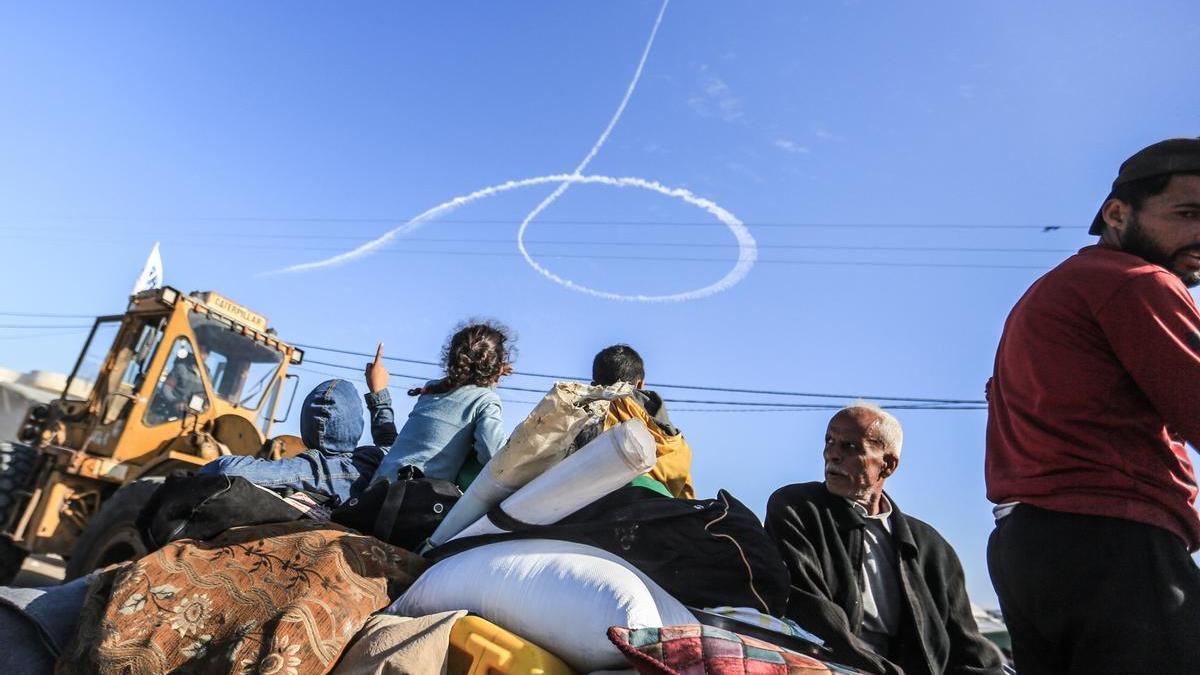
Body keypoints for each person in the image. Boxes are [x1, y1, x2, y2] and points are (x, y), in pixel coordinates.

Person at [985, 138, 1200, 673]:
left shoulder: (1053, 291)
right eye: (1188, 213)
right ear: (1117, 212)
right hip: (1112, 540)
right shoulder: (1136, 282)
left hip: (1029, 546)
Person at [765, 404, 1002, 675]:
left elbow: (969, 648)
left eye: (850, 447)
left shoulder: (931, 548)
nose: (832, 454)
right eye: (829, 441)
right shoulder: (796, 508)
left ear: (887, 465)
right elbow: (811, 614)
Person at [367, 320, 514, 486]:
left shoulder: (431, 389)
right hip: (416, 500)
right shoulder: (484, 399)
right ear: (497, 366)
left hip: (376, 491)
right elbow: (493, 453)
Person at [199, 378, 383, 505]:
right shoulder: (375, 459)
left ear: (305, 424)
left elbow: (225, 469)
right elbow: (388, 442)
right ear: (358, 423)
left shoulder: (316, 470)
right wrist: (380, 396)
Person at [591, 344, 695, 499]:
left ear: (594, 383)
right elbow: (688, 499)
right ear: (640, 384)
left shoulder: (585, 416)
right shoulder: (679, 445)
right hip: (661, 516)